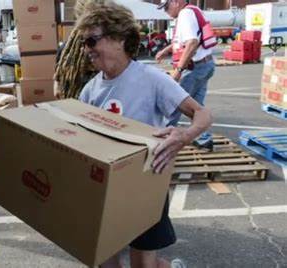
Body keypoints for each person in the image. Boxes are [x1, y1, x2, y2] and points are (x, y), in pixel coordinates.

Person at [76, 2, 212, 268]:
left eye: (92, 40)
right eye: (83, 42)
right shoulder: (89, 91)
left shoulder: (151, 78)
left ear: (119, 38)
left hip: (145, 183)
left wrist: (184, 136)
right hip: (105, 187)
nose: (86, 49)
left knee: (143, 262)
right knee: (104, 258)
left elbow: (203, 114)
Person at [155, 0, 215, 150]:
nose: (166, 11)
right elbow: (185, 40)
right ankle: (204, 138)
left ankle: (162, 141)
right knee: (196, 107)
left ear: (176, 2)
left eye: (166, 7)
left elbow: (192, 43)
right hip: (205, 64)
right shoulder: (192, 11)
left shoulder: (185, 14)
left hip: (193, 68)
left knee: (174, 104)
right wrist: (165, 50)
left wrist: (178, 71)